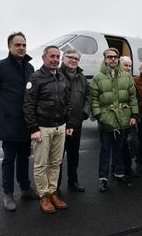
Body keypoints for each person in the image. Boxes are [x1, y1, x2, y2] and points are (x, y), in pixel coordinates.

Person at [0, 32, 38, 212]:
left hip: (26, 123)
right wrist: (3, 113)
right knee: (9, 160)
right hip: (8, 123)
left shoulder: (30, 68)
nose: (21, 48)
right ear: (9, 47)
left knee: (24, 158)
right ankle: (8, 193)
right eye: (17, 45)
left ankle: (25, 188)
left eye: (23, 45)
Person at [23, 45, 75, 213]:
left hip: (60, 127)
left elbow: (67, 102)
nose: (55, 59)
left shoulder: (61, 77)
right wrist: (33, 129)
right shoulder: (36, 78)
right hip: (42, 129)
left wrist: (69, 124)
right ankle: (44, 196)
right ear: (44, 58)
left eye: (57, 56)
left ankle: (53, 192)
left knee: (56, 163)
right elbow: (28, 105)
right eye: (52, 56)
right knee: (40, 165)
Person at [90, 47, 139, 192]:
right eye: (109, 57)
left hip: (123, 119)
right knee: (105, 150)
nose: (112, 59)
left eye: (115, 57)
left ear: (117, 59)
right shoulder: (97, 77)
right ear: (105, 59)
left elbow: (132, 97)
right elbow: (94, 100)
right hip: (106, 120)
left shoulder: (126, 76)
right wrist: (100, 116)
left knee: (120, 149)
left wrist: (134, 115)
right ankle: (103, 179)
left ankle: (120, 174)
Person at [57, 49, 91, 193]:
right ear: (63, 59)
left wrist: (84, 113)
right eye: (70, 57)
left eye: (76, 58)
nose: (73, 60)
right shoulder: (56, 75)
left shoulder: (81, 78)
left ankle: (73, 181)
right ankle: (55, 186)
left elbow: (88, 96)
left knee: (73, 155)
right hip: (59, 125)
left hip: (76, 124)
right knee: (57, 158)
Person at [119, 56, 139, 177]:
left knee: (130, 144)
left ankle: (128, 168)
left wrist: (135, 115)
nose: (128, 68)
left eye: (130, 65)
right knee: (120, 145)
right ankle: (119, 170)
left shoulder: (131, 79)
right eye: (125, 65)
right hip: (120, 117)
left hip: (131, 117)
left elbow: (134, 99)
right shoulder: (117, 78)